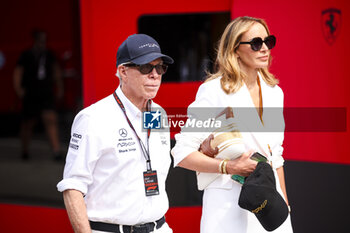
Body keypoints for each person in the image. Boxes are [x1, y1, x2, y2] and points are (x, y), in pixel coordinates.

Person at [171, 16, 293, 232]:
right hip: (227, 208)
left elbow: (275, 155)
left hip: (269, 206)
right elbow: (182, 153)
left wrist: (284, 200)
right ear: (235, 49)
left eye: (268, 41)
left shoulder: (275, 93)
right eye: (256, 43)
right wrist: (228, 166)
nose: (264, 48)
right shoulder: (214, 91)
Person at [57, 34, 174, 233]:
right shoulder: (93, 118)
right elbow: (73, 186)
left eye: (160, 67)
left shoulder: (158, 113)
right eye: (146, 67)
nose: (155, 75)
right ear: (123, 72)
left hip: (159, 228)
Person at [13, 29, 64, 160]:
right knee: (28, 123)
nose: (43, 43)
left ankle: (56, 151)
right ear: (35, 40)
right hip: (31, 92)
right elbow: (18, 72)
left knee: (50, 119)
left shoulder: (49, 54)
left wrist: (59, 87)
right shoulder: (26, 54)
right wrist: (19, 89)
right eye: (41, 40)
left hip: (46, 92)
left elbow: (56, 71)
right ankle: (24, 150)